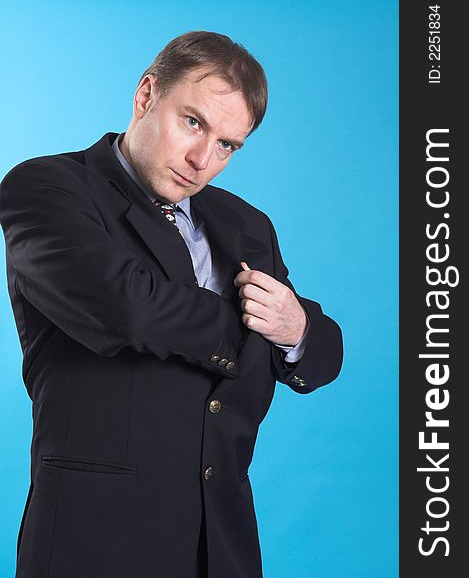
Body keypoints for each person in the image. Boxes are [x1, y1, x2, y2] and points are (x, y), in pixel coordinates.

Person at [0, 31, 343, 578]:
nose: (202, 159)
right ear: (146, 94)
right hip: (93, 542)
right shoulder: (48, 186)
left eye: (228, 145)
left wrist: (297, 325)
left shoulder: (247, 225)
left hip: (223, 545)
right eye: (193, 122)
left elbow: (318, 357)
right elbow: (125, 307)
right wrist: (255, 327)